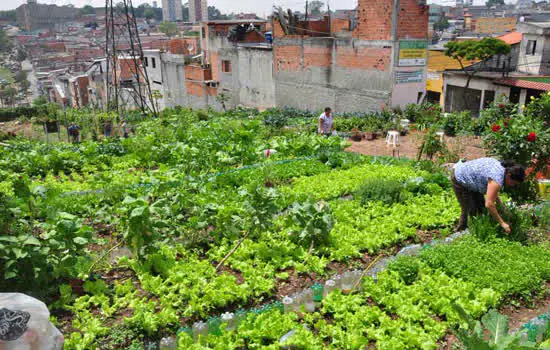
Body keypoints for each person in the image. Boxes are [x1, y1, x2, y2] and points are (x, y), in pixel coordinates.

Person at [451, 158, 526, 233]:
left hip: (473, 180)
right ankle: (462, 232)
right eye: (513, 183)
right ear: (509, 175)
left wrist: (501, 206)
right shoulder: (497, 177)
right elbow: (489, 204)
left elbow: (493, 191)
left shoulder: (503, 169)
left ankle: (474, 230)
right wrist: (502, 223)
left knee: (479, 209)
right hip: (460, 178)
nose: (512, 185)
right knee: (470, 210)